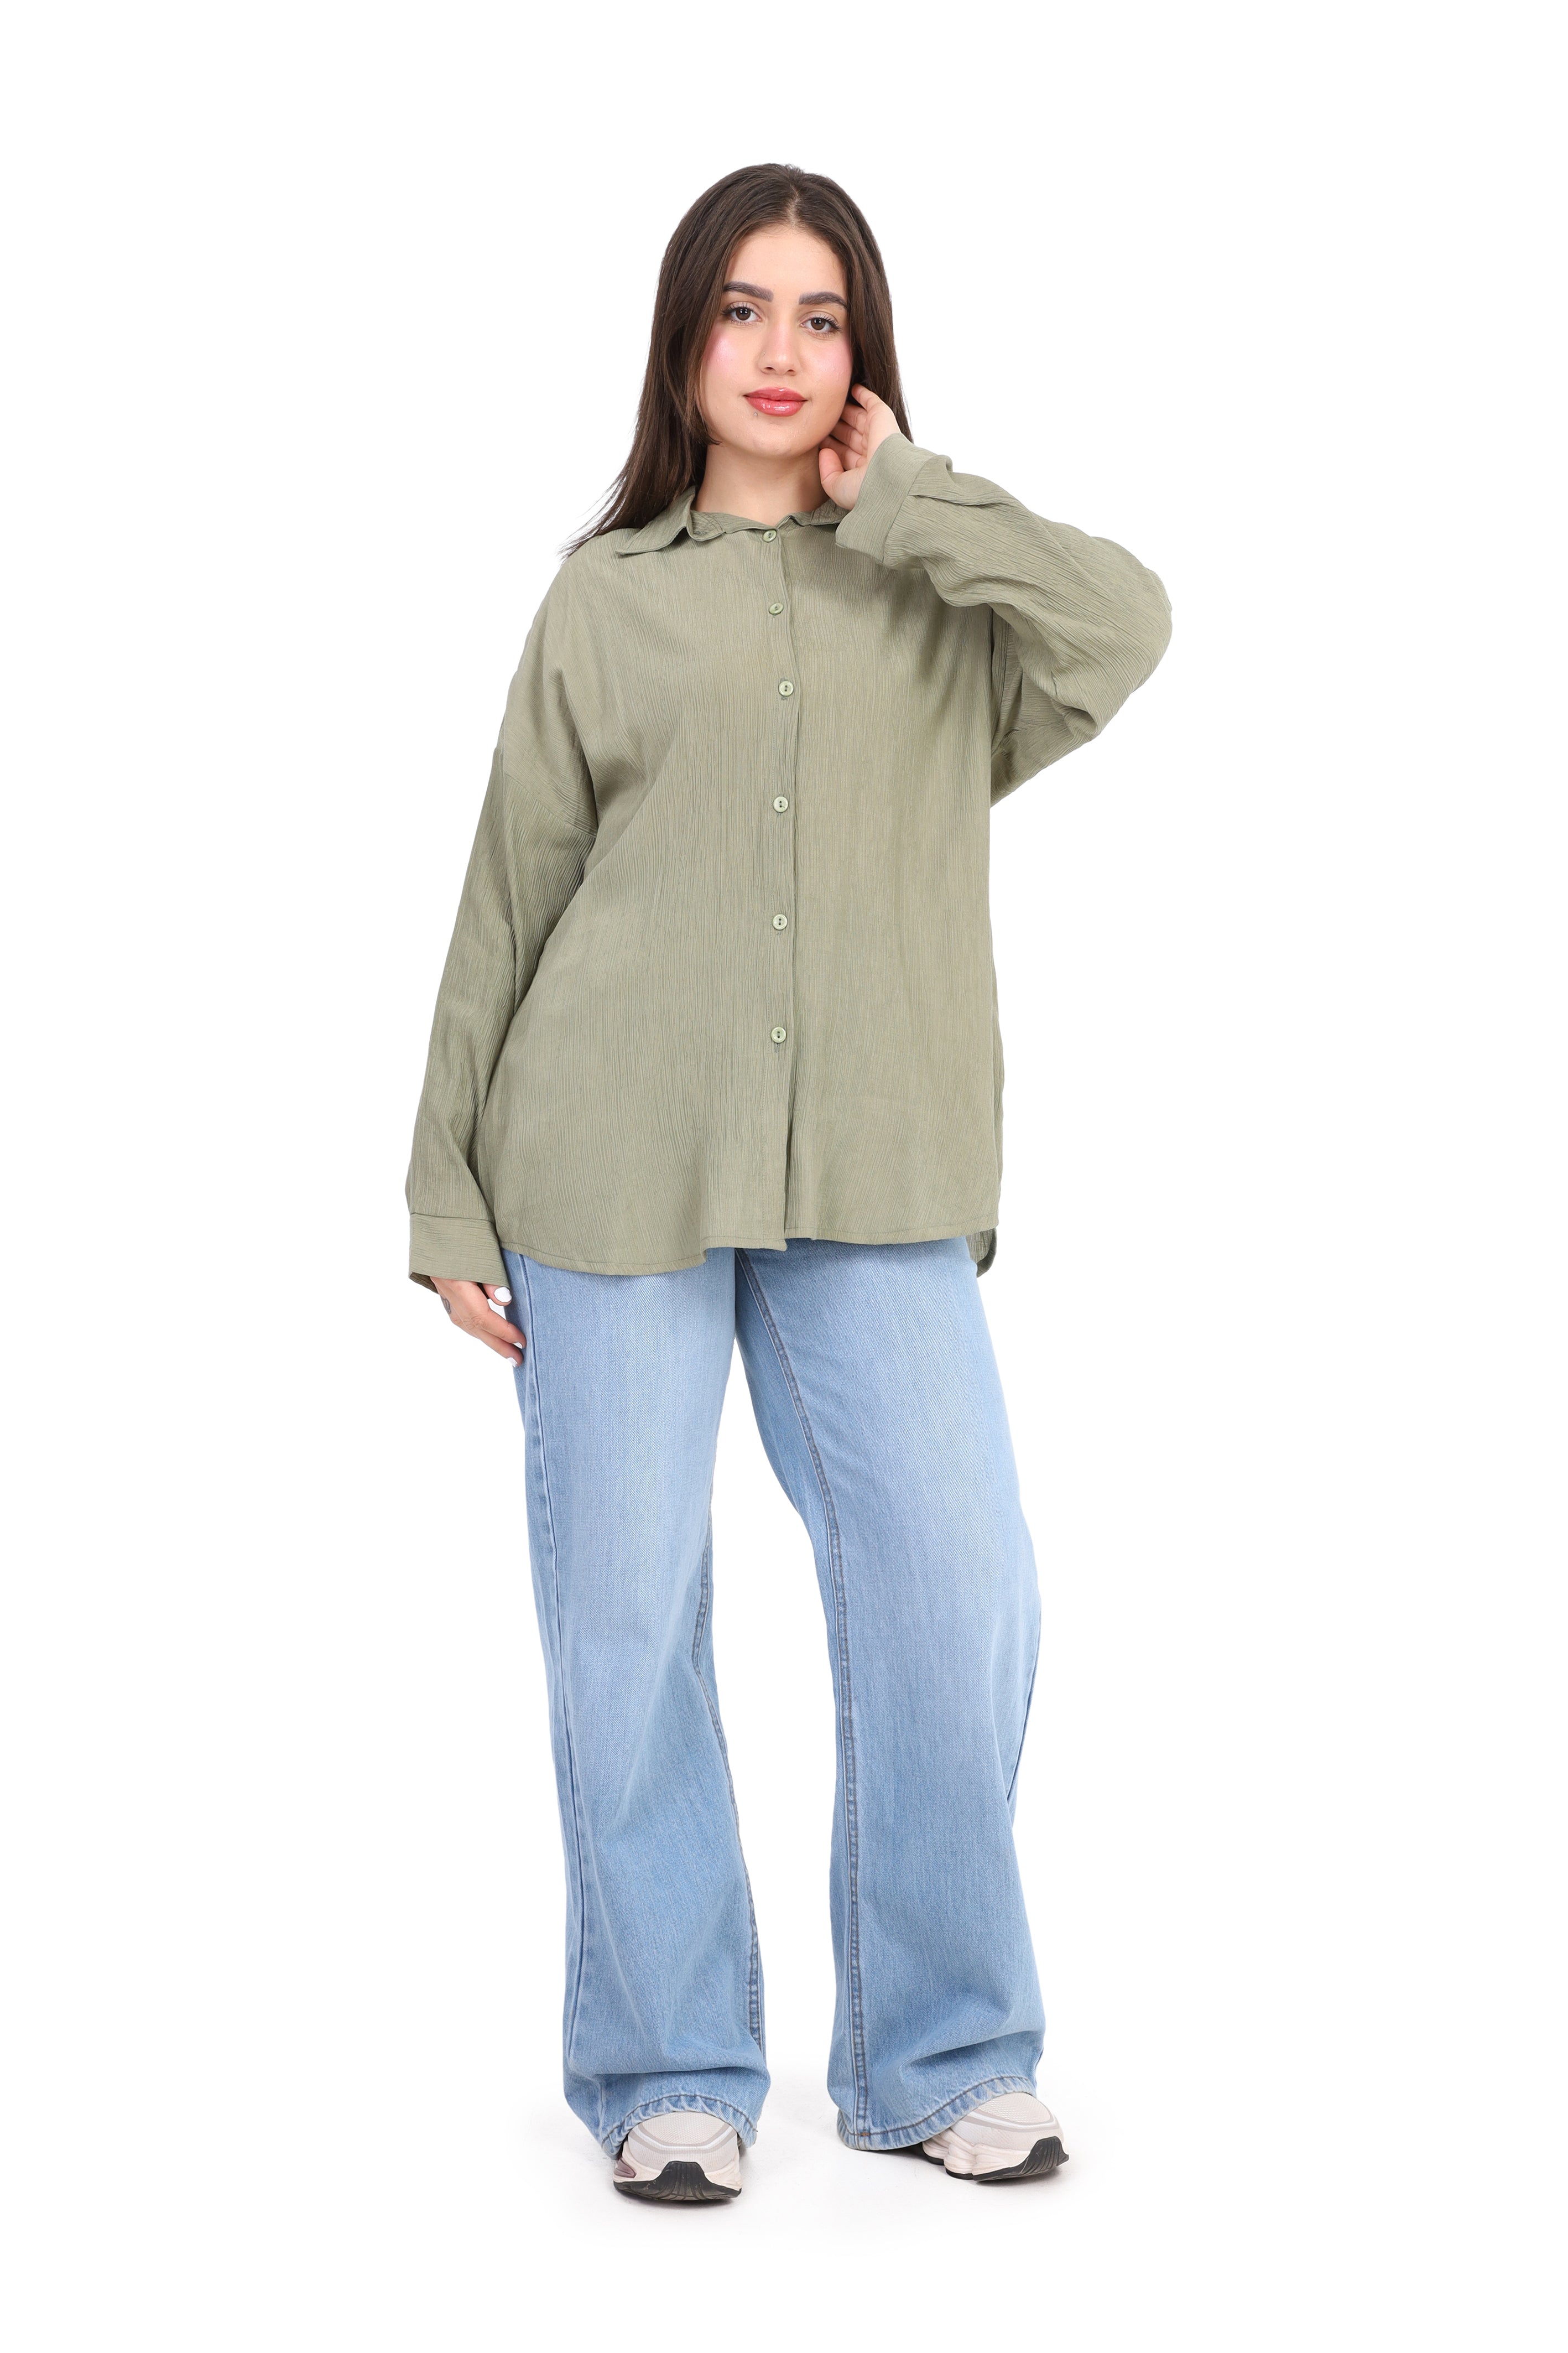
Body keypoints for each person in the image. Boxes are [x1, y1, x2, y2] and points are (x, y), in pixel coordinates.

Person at [405, 162, 1170, 2203]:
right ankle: (668, 2067)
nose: (777, 349)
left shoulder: (941, 592)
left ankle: (942, 2052)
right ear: (683, 342)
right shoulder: (603, 597)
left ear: (864, 354)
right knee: (621, 1621)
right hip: (603, 1153)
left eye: (820, 315)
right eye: (741, 310)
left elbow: (1125, 624)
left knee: (957, 1587)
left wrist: (907, 496)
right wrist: (442, 1190)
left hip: (877, 1161)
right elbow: (511, 895)